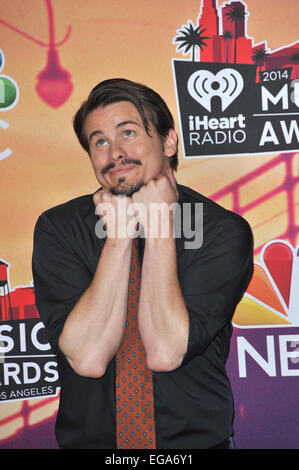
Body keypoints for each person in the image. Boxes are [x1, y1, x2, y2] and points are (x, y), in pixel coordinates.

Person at [32, 78, 253, 449]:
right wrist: (119, 235)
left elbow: (166, 350)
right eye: (99, 141)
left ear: (168, 141)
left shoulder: (221, 230)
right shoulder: (60, 228)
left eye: (128, 133)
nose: (114, 152)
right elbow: (87, 358)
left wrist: (159, 226)